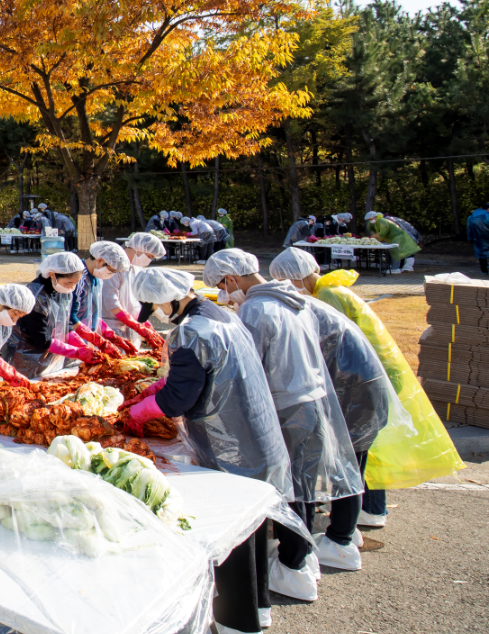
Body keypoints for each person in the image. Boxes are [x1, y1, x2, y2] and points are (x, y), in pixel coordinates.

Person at [127, 267, 294, 634]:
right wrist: (155, 391)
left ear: (171, 297)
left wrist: (142, 410)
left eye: (153, 305)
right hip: (254, 429)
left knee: (231, 533)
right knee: (253, 524)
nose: (153, 313)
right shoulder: (217, 314)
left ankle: (237, 621)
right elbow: (192, 375)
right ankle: (259, 606)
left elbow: (179, 398)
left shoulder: (191, 331)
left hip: (231, 442)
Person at [205, 248, 363, 602]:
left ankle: (294, 567)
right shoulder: (291, 298)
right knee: (303, 486)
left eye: (221, 285)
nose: (223, 293)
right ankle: (301, 560)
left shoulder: (256, 309)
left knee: (289, 491)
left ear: (230, 278)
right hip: (312, 398)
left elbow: (248, 367)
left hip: (286, 405)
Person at [268, 248, 464, 527]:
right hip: (370, 374)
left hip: (363, 380)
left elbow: (329, 346)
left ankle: (368, 510)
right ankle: (360, 509)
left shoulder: (328, 296)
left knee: (363, 449)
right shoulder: (330, 289)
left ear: (296, 277)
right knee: (365, 447)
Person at [5, 251, 94, 379]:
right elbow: (41, 338)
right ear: (52, 275)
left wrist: (82, 346)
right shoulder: (36, 296)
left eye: (76, 283)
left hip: (50, 355)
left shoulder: (61, 289)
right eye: (69, 283)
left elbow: (65, 323)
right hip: (26, 356)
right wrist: (76, 352)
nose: (72, 287)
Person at [101, 232, 165, 343]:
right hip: (110, 326)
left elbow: (135, 301)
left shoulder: (136, 269)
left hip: (128, 326)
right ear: (139, 248)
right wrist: (131, 322)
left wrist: (143, 323)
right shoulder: (113, 265)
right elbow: (110, 300)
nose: (148, 260)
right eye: (149, 256)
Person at [469, 203, 489, 274]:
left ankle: (484, 271)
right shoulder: (487, 216)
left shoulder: (472, 217)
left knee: (481, 254)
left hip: (478, 239)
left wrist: (470, 238)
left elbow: (469, 228)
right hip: (487, 237)